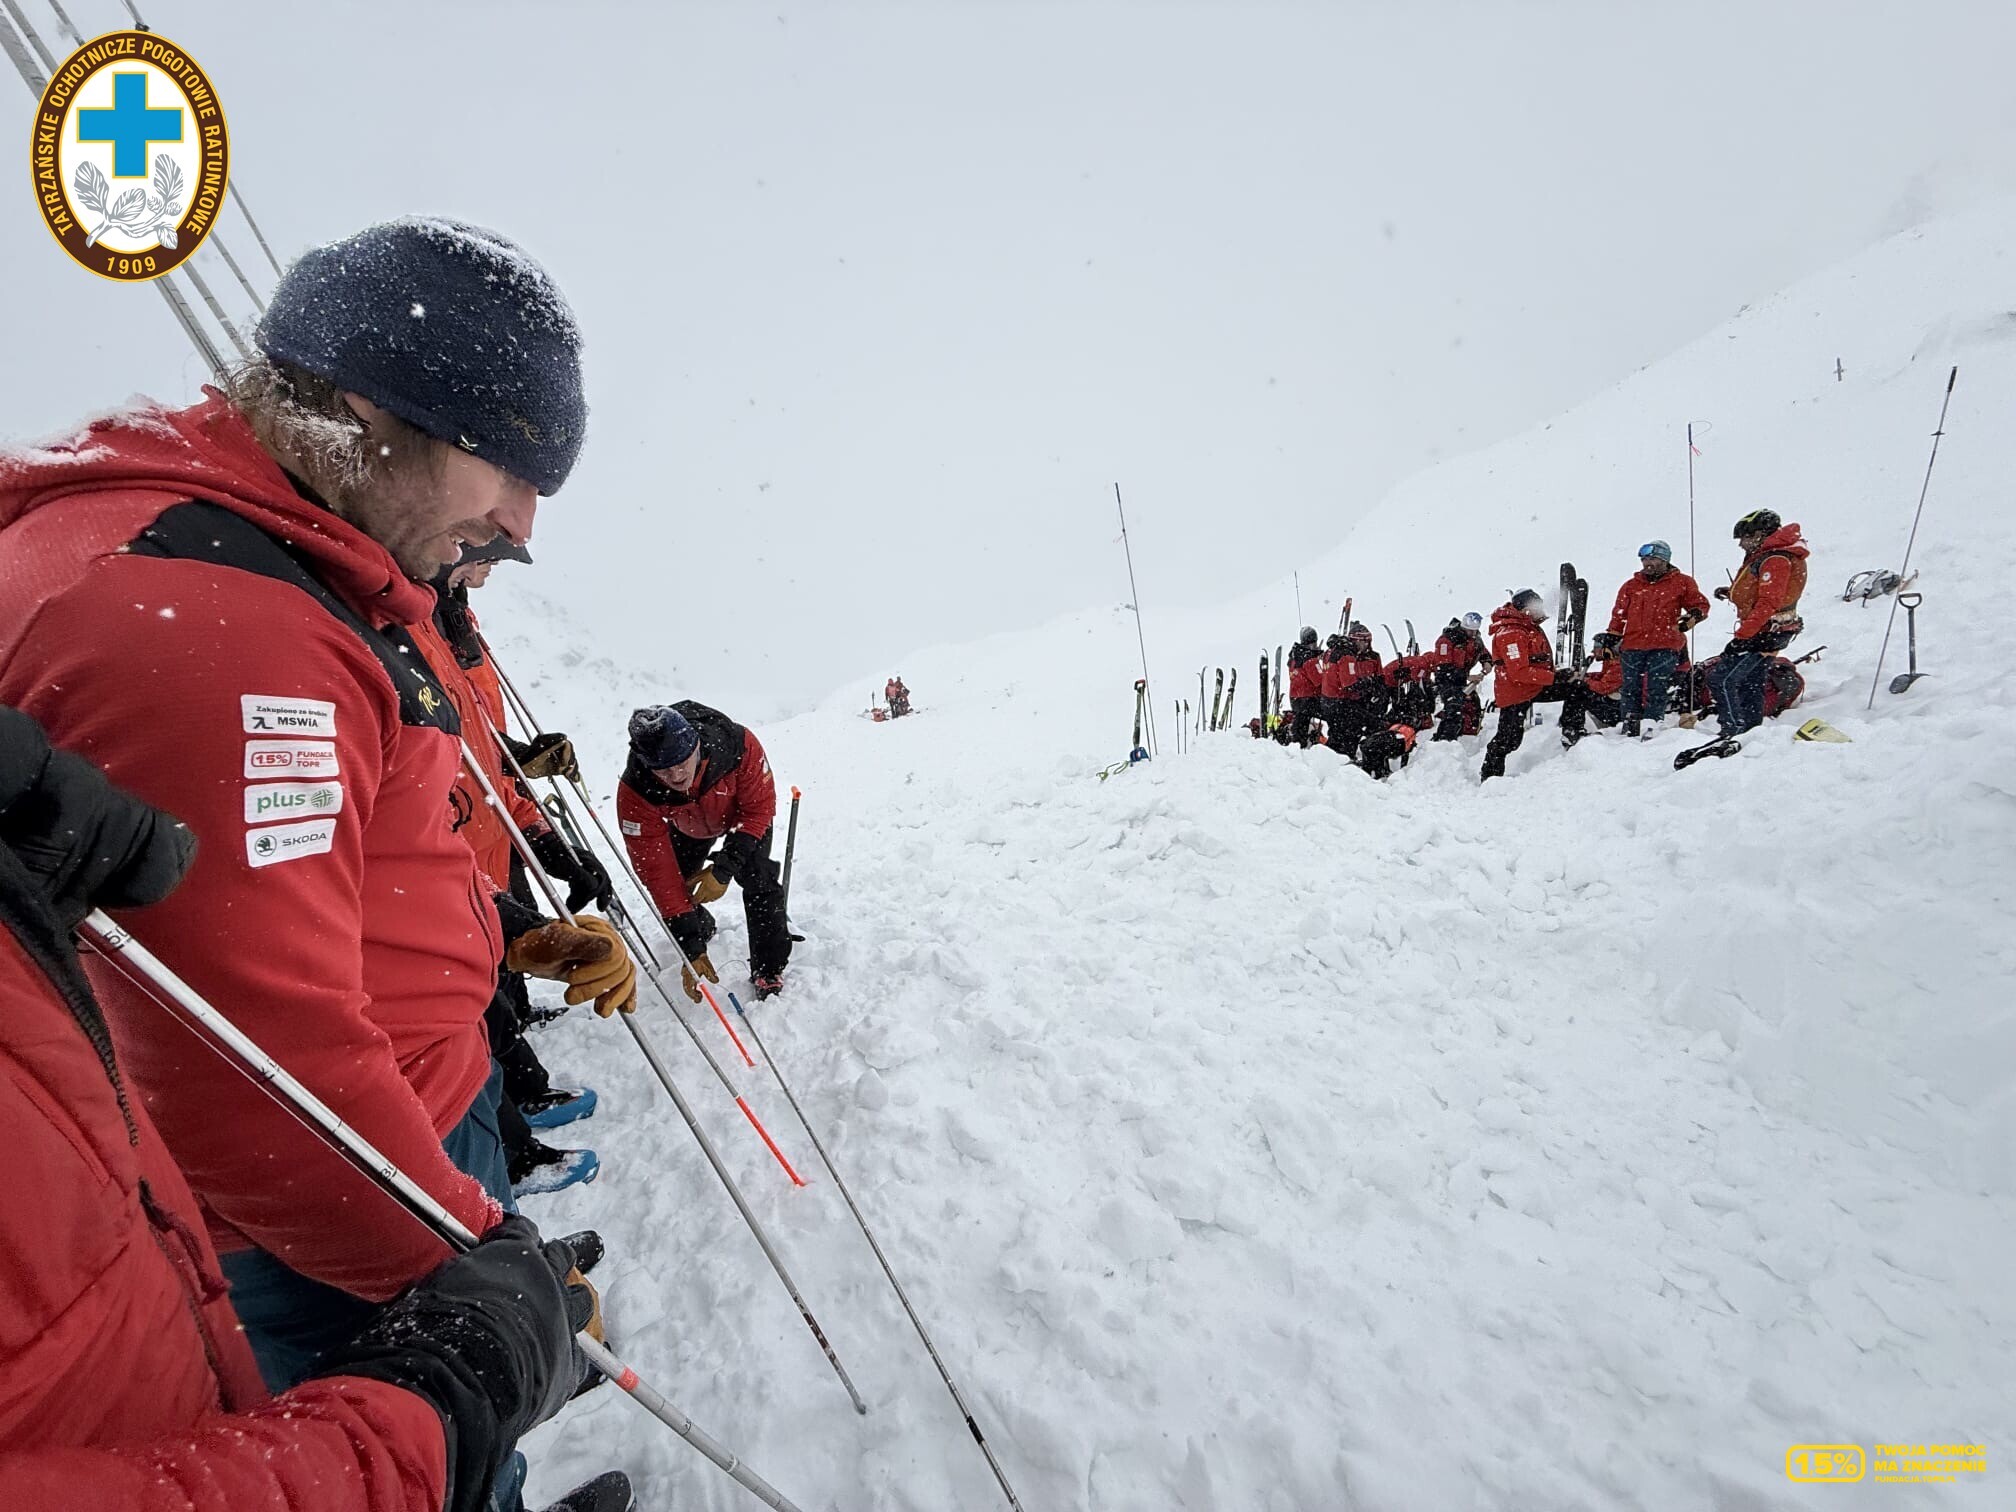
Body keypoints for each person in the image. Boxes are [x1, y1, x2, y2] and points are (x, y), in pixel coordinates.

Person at [0, 219, 635, 1507]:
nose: (521, 526)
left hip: (403, 1125)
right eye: (505, 469)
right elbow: (245, 1070)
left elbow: (312, 874)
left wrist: (496, 933)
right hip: (335, 1213)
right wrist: (480, 1274)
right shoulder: (213, 625)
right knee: (404, 1447)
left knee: (450, 1455)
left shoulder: (299, 559)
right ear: (367, 410)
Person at [0, 704, 610, 1512]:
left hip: (181, 1328)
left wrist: (508, 930)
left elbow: (403, 860)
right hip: (339, 1187)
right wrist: (445, 1394)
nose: (465, 569)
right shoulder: (275, 659)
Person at [419, 545, 612, 1199]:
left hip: (490, 849)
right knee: (471, 1015)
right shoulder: (403, 631)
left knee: (492, 1003)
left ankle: (520, 1112)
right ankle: (514, 1147)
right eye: (480, 557)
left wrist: (546, 839)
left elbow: (488, 759)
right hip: (443, 865)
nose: (487, 572)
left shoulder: (458, 627)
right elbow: (436, 763)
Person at [619, 702, 792, 1000]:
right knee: (679, 885)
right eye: (663, 769)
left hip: (742, 819)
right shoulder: (637, 790)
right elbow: (658, 874)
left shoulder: (739, 744)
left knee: (759, 880)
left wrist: (725, 869)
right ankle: (700, 926)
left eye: (681, 762)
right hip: (688, 827)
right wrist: (690, 944)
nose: (675, 776)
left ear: (696, 746)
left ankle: (768, 967)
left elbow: (759, 808)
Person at [1708, 510, 1810, 740]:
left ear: (1759, 534)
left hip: (1764, 632)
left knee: (1721, 678)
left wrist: (1742, 637)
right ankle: (1750, 729)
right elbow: (1767, 594)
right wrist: (1733, 593)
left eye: (1744, 538)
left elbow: (1768, 602)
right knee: (1751, 680)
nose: (1742, 544)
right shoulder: (1774, 555)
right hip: (1772, 629)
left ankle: (1731, 729)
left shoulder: (1775, 559)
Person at [1480, 589, 1602, 780]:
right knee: (1509, 739)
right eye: (1538, 606)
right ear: (1527, 608)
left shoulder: (1529, 627)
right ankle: (1490, 777)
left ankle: (1572, 730)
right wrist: (1554, 678)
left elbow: (1537, 661)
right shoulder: (1511, 633)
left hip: (1535, 686)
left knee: (1576, 688)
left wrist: (1558, 675)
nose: (1542, 610)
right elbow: (1519, 671)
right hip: (1516, 692)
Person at [1604, 540, 1710, 736]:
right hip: (1632, 645)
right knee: (1629, 689)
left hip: (1666, 644)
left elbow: (1700, 605)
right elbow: (1618, 615)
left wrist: (1692, 617)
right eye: (1644, 559)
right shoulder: (1631, 586)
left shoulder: (1682, 582)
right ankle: (1630, 726)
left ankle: (1651, 725)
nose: (1647, 563)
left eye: (1653, 558)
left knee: (1657, 688)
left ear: (1665, 560)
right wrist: (1611, 637)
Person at [1320, 624, 1388, 760]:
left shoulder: (1333, 650)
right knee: (1349, 733)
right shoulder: (1347, 655)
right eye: (1365, 641)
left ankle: (1330, 760)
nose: (1367, 645)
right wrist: (1367, 682)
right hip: (1339, 701)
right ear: (1357, 640)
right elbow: (1349, 684)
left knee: (1338, 733)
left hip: (1329, 700)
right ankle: (1344, 761)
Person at [1430, 612, 1489, 741]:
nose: (1473, 634)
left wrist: (1487, 663)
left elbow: (1484, 653)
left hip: (1461, 681)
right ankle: (1443, 742)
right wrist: (1468, 677)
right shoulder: (1446, 640)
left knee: (1472, 707)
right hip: (1446, 681)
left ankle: (1468, 736)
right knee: (1454, 709)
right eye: (1470, 631)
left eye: (1475, 631)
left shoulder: (1475, 640)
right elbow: (1444, 668)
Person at [1286, 626, 1325, 745]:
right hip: (1309, 699)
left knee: (1301, 725)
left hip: (1295, 698)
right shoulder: (1310, 660)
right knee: (1335, 716)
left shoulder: (1294, 657)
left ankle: (1297, 744)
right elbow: (1320, 680)